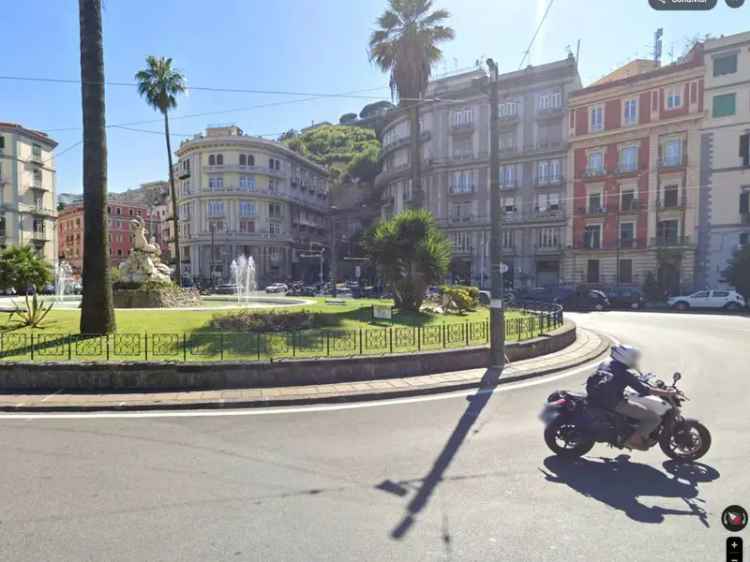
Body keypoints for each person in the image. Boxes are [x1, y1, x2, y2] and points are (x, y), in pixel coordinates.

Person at [586, 345, 676, 450]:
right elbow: (644, 390)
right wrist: (667, 393)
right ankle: (632, 441)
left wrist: (634, 379)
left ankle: (626, 431)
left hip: (595, 398)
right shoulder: (623, 374)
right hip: (614, 403)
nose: (635, 361)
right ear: (626, 357)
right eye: (633, 358)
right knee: (653, 418)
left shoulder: (605, 363)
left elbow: (615, 379)